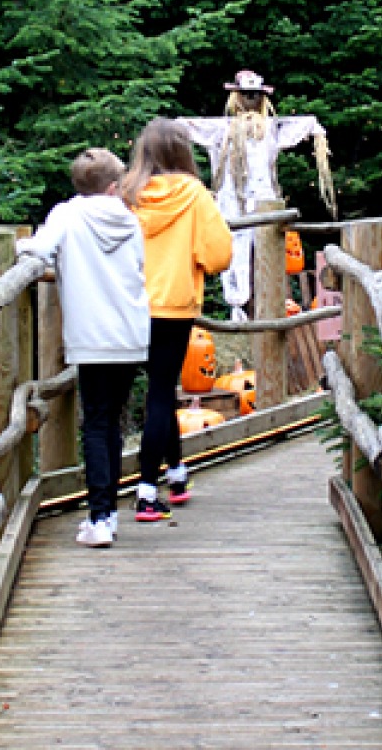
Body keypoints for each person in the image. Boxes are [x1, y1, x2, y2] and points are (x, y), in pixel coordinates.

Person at [19, 147, 149, 549]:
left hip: (92, 337)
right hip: (130, 333)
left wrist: (24, 253)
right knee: (112, 420)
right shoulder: (130, 220)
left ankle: (100, 517)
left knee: (94, 422)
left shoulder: (67, 215)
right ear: (113, 186)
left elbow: (38, 250)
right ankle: (108, 511)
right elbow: (141, 267)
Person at [121, 118, 233, 522]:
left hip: (129, 305)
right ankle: (147, 490)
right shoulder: (194, 195)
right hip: (173, 305)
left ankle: (177, 472)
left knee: (158, 390)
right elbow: (219, 255)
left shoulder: (126, 196)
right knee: (161, 392)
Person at [179, 70, 336, 319]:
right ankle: (239, 307)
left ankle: (267, 310)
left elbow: (306, 124)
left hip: (265, 204)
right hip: (233, 204)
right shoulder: (222, 131)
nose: (250, 99)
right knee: (235, 253)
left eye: (255, 94)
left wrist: (314, 130)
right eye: (246, 94)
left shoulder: (272, 130)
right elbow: (183, 127)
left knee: (266, 253)